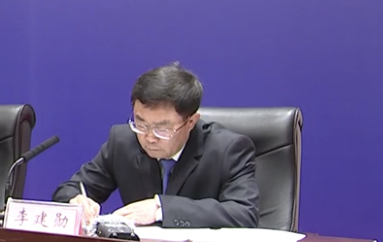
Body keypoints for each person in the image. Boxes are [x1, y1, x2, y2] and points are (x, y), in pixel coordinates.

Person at [52, 62, 260, 229]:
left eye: (162, 129)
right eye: (141, 123)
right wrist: (76, 201)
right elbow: (69, 190)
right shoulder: (123, 141)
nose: (149, 137)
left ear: (191, 122)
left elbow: (243, 213)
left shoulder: (227, 149)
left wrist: (161, 209)